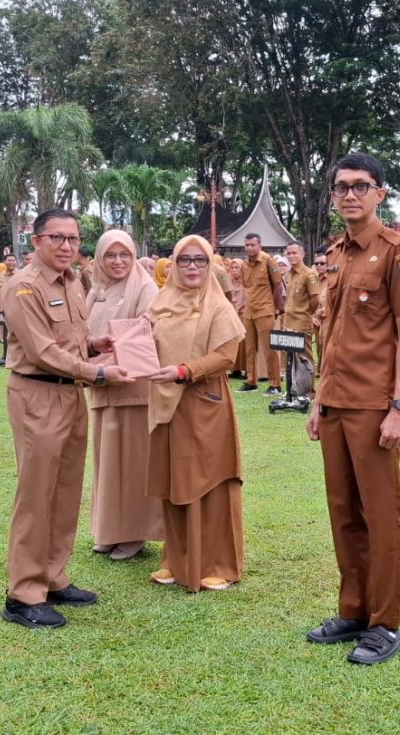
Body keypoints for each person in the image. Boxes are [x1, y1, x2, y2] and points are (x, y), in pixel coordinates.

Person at [305, 152, 400, 666]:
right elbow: (332, 332)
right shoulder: (336, 253)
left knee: (381, 515)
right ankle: (352, 610)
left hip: (374, 406)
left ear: (380, 193)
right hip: (335, 403)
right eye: (341, 187)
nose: (350, 194)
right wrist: (318, 397)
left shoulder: (398, 249)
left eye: (360, 185)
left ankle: (384, 623)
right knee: (344, 513)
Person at [0, 208, 134, 629]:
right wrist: (97, 372)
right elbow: (41, 351)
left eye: (73, 239)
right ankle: (23, 594)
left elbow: (70, 341)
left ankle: (53, 577)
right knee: (36, 494)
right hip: (37, 394)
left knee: (65, 490)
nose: (66, 246)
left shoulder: (72, 282)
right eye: (57, 238)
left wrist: (95, 344)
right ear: (36, 240)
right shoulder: (23, 287)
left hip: (71, 393)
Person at [146, 234, 245, 592]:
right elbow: (144, 344)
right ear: (173, 264)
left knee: (210, 481)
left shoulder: (218, 306)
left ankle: (218, 562)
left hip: (204, 401)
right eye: (184, 260)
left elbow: (226, 357)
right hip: (166, 403)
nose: (192, 267)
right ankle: (175, 559)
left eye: (200, 260)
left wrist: (184, 371)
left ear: (210, 265)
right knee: (173, 480)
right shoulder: (160, 303)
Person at [85, 229, 163, 562]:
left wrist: (102, 367)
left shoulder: (145, 288)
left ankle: (133, 533)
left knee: (132, 464)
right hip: (101, 386)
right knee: (107, 463)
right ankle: (110, 530)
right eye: (111, 255)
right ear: (100, 259)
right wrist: (92, 368)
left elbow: (145, 339)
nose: (118, 262)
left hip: (133, 389)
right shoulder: (96, 290)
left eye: (125, 255)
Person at [239, 233, 285, 394]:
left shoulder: (268, 261)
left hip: (265, 310)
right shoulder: (244, 265)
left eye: (252, 245)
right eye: (247, 245)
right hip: (249, 311)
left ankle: (275, 384)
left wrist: (277, 308)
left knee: (269, 349)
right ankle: (251, 381)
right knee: (249, 348)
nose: (249, 248)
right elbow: (246, 287)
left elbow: (278, 286)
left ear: (260, 246)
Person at [282, 242, 321, 383]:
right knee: (290, 358)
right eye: (289, 253)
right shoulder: (289, 274)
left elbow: (315, 299)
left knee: (304, 358)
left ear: (302, 254)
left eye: (294, 253)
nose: (291, 256)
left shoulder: (309, 275)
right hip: (288, 321)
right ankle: (293, 389)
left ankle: (308, 390)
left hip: (302, 322)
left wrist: (307, 313)